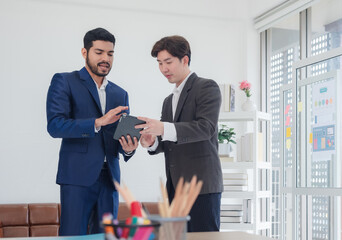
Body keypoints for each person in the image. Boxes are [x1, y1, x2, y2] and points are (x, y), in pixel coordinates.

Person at [46, 28, 138, 236]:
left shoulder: (120, 93)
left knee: (107, 236)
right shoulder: (64, 81)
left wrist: (129, 149)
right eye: (99, 52)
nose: (105, 58)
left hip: (110, 179)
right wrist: (98, 122)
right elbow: (55, 125)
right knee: (73, 235)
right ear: (84, 52)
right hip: (77, 178)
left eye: (110, 53)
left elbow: (121, 139)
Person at [137, 35, 223, 232]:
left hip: (202, 188)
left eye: (168, 62)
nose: (163, 69)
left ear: (185, 60)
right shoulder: (168, 101)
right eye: (159, 63)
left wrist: (164, 128)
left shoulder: (206, 87)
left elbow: (206, 128)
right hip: (175, 189)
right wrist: (152, 142)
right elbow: (169, 142)